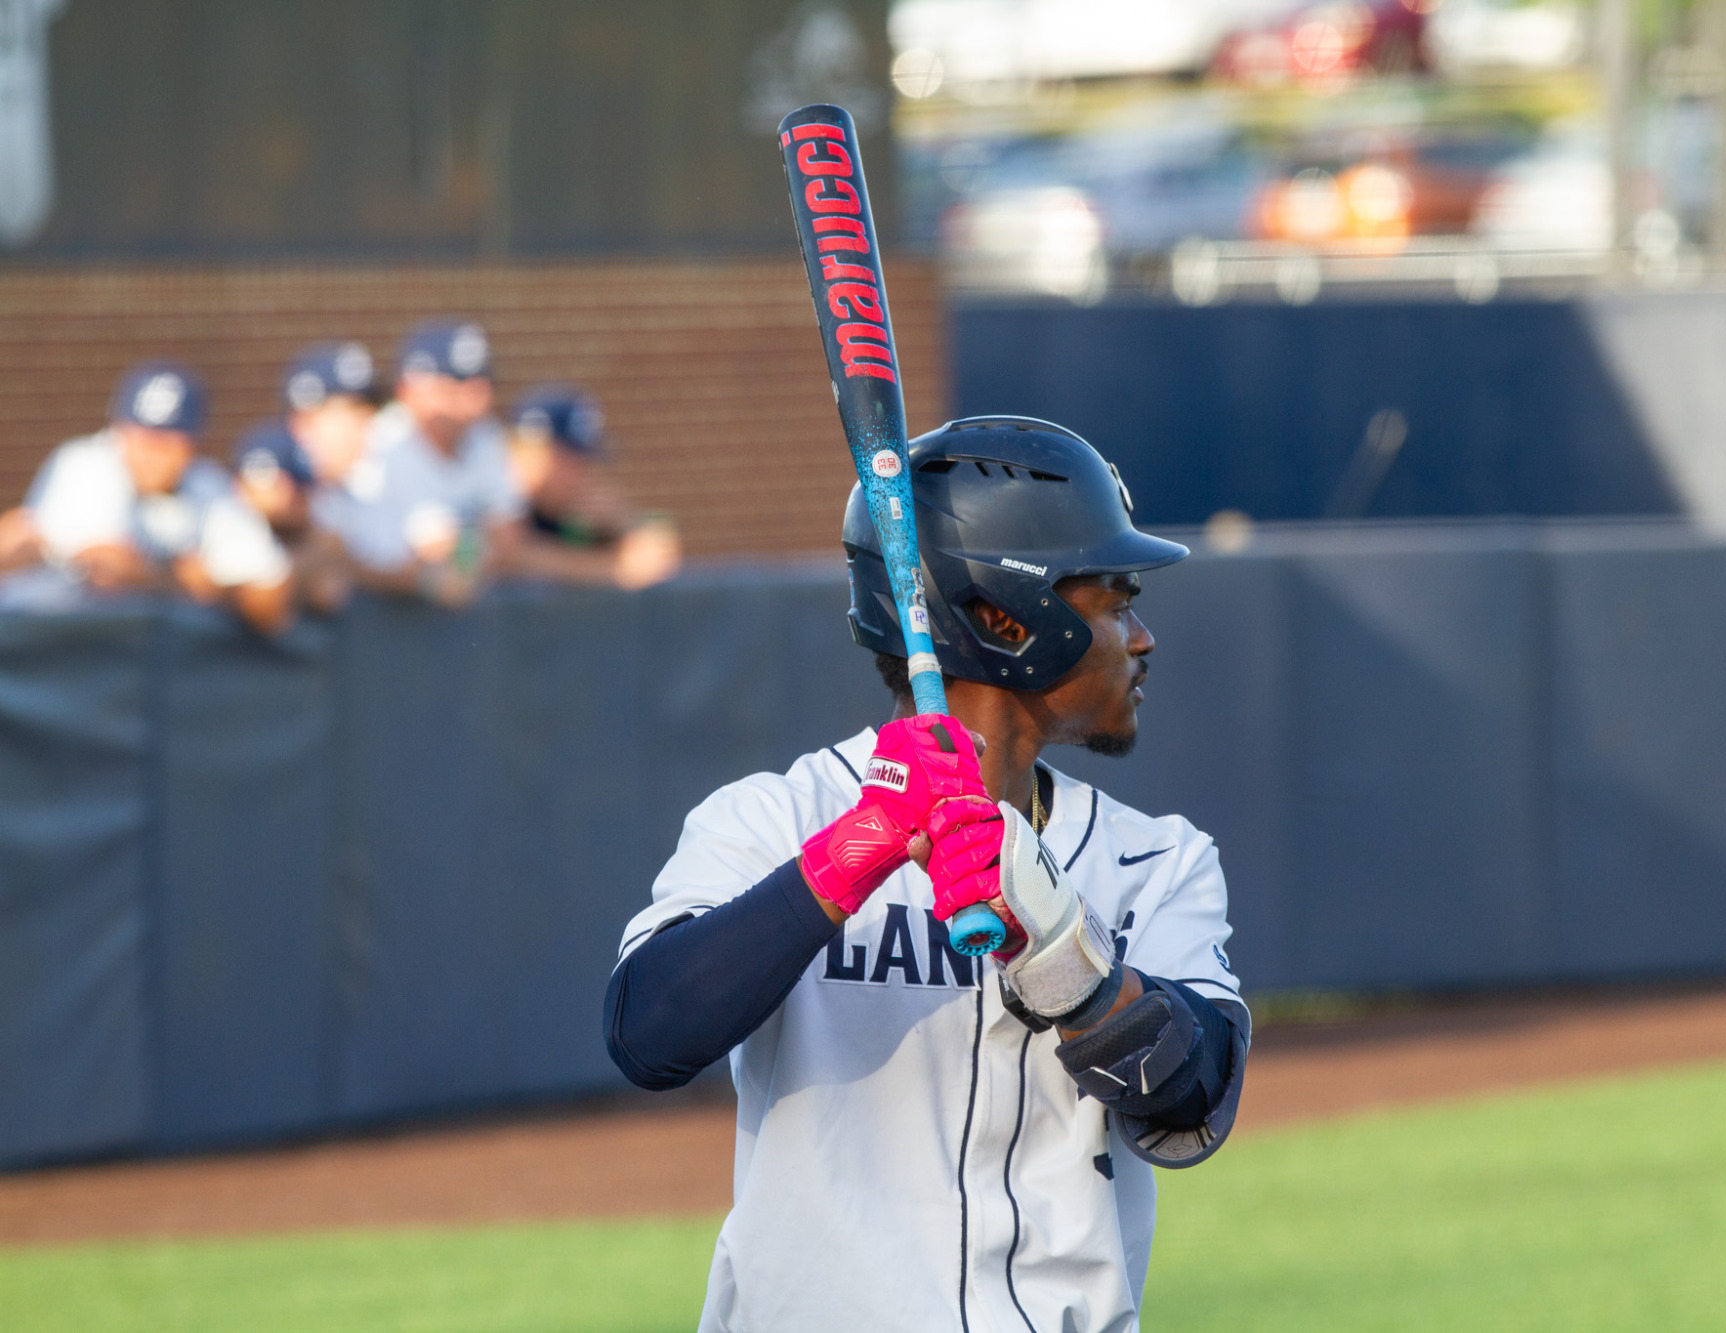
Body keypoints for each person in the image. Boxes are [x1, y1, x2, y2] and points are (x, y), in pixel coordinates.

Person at [603, 416, 1247, 1332]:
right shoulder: (775, 818)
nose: (1140, 638)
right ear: (1005, 617)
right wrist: (858, 847)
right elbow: (650, 1032)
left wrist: (1062, 951)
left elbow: (1194, 1094)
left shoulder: (1154, 858)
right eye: (1115, 599)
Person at [2, 361, 294, 634]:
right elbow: (108, 570)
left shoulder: (207, 487)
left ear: (192, 444)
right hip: (31, 650)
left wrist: (178, 581)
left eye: (165, 442)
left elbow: (273, 600)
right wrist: (192, 581)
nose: (150, 455)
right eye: (140, 437)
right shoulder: (87, 464)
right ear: (118, 430)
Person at [343, 318, 523, 606]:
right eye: (455, 385)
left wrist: (466, 558)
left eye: (481, 383)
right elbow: (431, 550)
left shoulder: (484, 436)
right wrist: (472, 551)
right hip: (376, 615)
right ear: (410, 388)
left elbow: (509, 539)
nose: (475, 398)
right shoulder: (383, 441)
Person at [234, 340, 381, 614]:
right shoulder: (272, 456)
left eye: (367, 413)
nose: (366, 425)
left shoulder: (353, 486)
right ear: (305, 417)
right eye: (351, 412)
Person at [505, 385, 681, 589]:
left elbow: (657, 553)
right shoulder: (496, 489)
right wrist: (614, 569)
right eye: (573, 461)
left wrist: (623, 523)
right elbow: (509, 557)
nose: (583, 474)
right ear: (538, 451)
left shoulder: (565, 501)